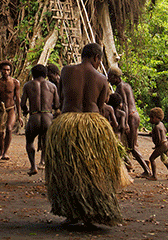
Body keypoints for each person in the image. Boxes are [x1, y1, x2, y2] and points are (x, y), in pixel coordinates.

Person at [44, 43, 126, 226]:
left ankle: (72, 213)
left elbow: (62, 97)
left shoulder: (65, 71)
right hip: (93, 126)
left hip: (67, 124)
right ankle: (93, 212)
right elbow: (100, 104)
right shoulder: (102, 78)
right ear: (97, 58)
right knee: (94, 170)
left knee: (68, 170)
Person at [108, 66, 151, 177]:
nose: (109, 80)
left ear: (115, 77)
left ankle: (147, 170)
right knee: (130, 144)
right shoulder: (126, 85)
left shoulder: (120, 87)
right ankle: (136, 165)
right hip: (134, 115)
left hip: (131, 116)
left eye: (110, 77)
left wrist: (125, 122)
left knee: (132, 147)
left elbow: (125, 105)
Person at [21, 64, 59, 176]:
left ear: (33, 74)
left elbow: (22, 103)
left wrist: (25, 110)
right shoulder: (52, 86)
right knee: (48, 143)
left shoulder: (28, 85)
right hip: (48, 117)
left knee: (30, 141)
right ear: (45, 74)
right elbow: (57, 104)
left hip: (34, 117)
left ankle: (33, 166)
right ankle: (48, 167)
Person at [0, 61, 21, 161]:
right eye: (4, 69)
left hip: (11, 109)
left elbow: (17, 99)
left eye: (8, 70)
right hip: (1, 109)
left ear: (10, 71)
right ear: (0, 70)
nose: (6, 72)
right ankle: (1, 153)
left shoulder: (15, 82)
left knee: (9, 128)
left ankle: (6, 152)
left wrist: (20, 116)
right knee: (0, 132)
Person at [148, 107, 168, 181]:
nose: (150, 120)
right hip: (166, 144)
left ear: (157, 118)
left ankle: (154, 176)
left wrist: (156, 146)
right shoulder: (161, 124)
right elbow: (164, 132)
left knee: (151, 158)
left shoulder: (156, 127)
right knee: (165, 160)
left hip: (162, 145)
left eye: (151, 118)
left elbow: (159, 139)